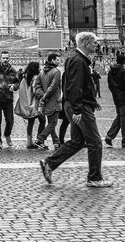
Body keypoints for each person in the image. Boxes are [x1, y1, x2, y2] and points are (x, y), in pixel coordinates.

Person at [39, 32, 112, 188]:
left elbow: (77, 85)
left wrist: (92, 101)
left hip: (77, 105)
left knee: (77, 141)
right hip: (79, 107)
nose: (97, 45)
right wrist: (78, 110)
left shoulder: (76, 60)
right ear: (86, 44)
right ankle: (95, 177)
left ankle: (49, 163)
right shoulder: (78, 61)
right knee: (95, 142)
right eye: (94, 43)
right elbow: (74, 87)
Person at [104, 52, 125, 148]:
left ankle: (109, 136)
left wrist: (115, 94)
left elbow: (110, 85)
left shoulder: (110, 72)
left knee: (120, 117)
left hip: (116, 98)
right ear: (124, 61)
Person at [34, 54, 66, 148]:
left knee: (51, 122)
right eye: (57, 60)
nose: (59, 61)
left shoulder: (42, 72)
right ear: (52, 60)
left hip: (45, 101)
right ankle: (40, 139)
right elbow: (53, 87)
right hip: (53, 101)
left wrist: (42, 96)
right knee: (53, 123)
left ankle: (56, 143)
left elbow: (37, 86)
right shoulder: (56, 72)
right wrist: (45, 97)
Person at [16, 60, 43, 148]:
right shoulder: (35, 78)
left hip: (27, 104)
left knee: (31, 123)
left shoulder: (24, 78)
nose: (40, 68)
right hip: (35, 103)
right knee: (43, 121)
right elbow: (36, 91)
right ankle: (39, 140)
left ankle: (29, 142)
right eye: (38, 67)